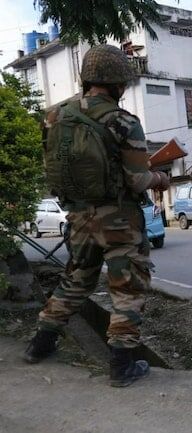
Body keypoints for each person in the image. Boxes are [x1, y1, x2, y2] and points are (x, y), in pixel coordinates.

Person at [23, 45, 171, 387]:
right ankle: (122, 364)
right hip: (118, 218)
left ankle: (39, 344)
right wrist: (160, 178)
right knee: (128, 287)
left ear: (86, 78)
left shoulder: (54, 116)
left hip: (77, 216)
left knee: (77, 280)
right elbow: (137, 179)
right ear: (119, 83)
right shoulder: (123, 121)